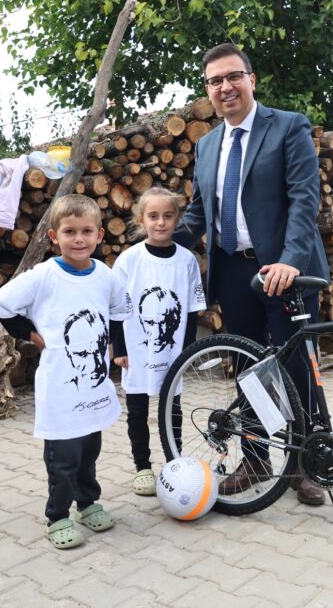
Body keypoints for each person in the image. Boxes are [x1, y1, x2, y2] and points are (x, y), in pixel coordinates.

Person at [176, 42, 331, 506]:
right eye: (215, 81)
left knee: (296, 368)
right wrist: (157, 243)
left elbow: (304, 198)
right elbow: (199, 211)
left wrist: (291, 260)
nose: (225, 87)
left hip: (286, 272)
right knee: (248, 369)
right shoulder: (206, 145)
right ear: (208, 89)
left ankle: (307, 463)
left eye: (233, 76)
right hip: (232, 272)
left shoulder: (288, 126)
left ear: (251, 80)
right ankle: (258, 458)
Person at [0, 194, 126, 549]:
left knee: (89, 450)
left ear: (99, 235)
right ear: (53, 236)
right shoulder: (44, 275)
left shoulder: (105, 276)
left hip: (93, 387)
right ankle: (58, 516)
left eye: (87, 232)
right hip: (60, 388)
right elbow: (1, 304)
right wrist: (31, 335)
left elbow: (117, 312)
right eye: (70, 232)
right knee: (63, 457)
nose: (79, 239)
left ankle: (88, 503)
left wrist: (116, 348)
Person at [111, 187, 206, 496]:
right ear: (141, 220)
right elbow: (116, 308)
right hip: (136, 352)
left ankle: (174, 463)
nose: (161, 222)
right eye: (153, 216)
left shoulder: (187, 260)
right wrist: (119, 349)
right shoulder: (129, 260)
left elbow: (191, 309)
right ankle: (142, 467)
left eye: (168, 216)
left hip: (174, 354)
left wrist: (187, 352)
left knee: (171, 409)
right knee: (137, 410)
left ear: (177, 219)